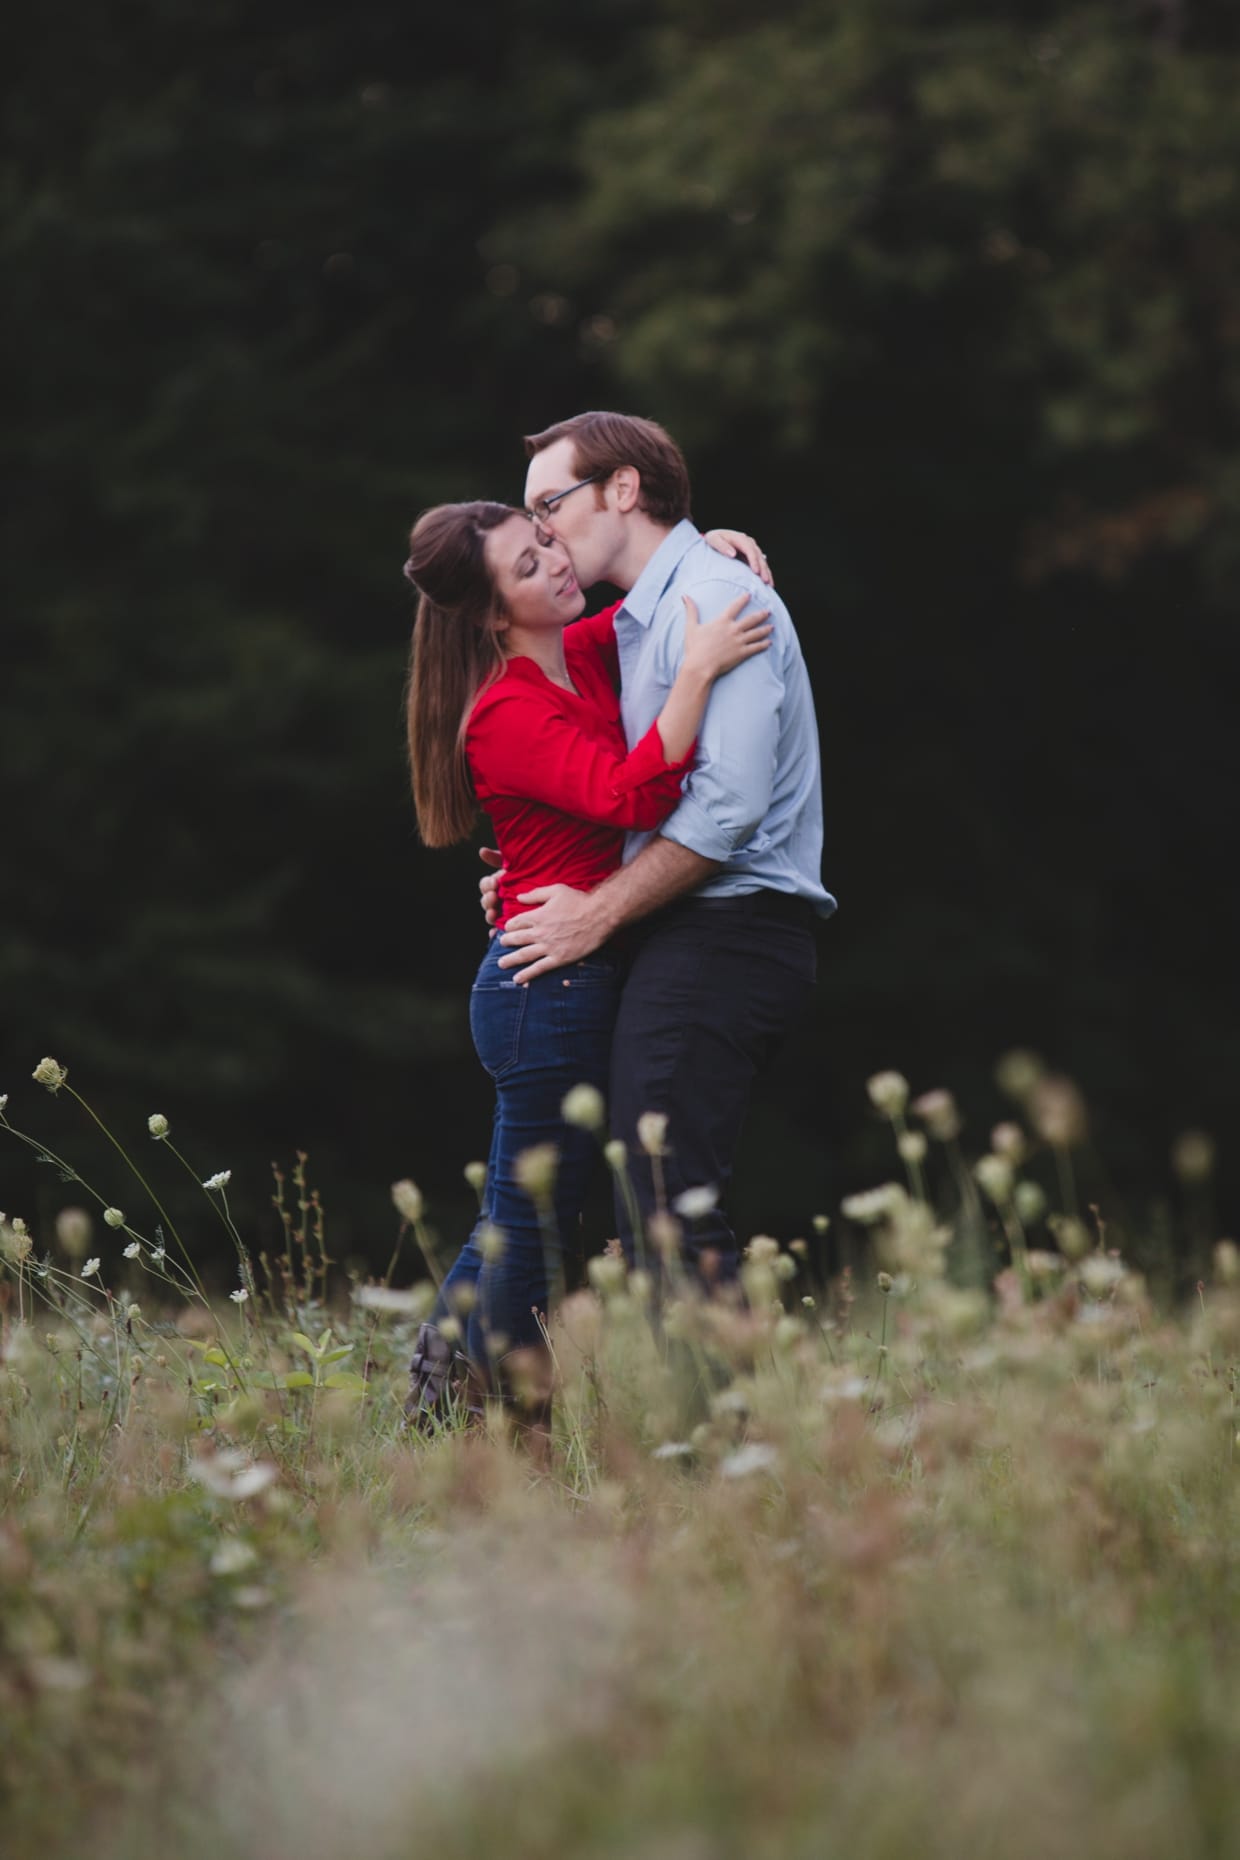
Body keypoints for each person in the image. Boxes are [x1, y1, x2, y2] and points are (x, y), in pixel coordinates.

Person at [402, 500, 772, 1433]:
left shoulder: (584, 646)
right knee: (530, 1230)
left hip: (570, 974)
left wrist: (705, 549)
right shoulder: (503, 714)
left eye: (547, 545)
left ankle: (432, 1405)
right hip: (543, 991)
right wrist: (695, 675)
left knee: (520, 1217)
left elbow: (645, 604)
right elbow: (624, 794)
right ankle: (478, 1426)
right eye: (528, 570)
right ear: (492, 616)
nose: (558, 568)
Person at [490, 411, 837, 1285]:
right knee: (609, 1191)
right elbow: (599, 784)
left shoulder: (721, 602)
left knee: (662, 1192)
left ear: (622, 490)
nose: (541, 533)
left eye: (549, 506)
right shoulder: (637, 622)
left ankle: (715, 1419)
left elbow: (727, 813)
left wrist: (595, 913)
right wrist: (533, 880)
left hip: (731, 926)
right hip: (674, 924)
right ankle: (487, 1384)